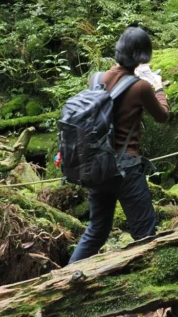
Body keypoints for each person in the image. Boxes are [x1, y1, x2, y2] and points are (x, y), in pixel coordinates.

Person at [68, 27, 169, 263]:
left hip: (97, 166)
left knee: (96, 231)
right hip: (126, 170)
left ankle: (64, 278)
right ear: (143, 57)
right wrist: (158, 86)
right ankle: (150, 289)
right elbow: (163, 116)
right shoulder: (140, 87)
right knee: (145, 232)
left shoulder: (95, 79)